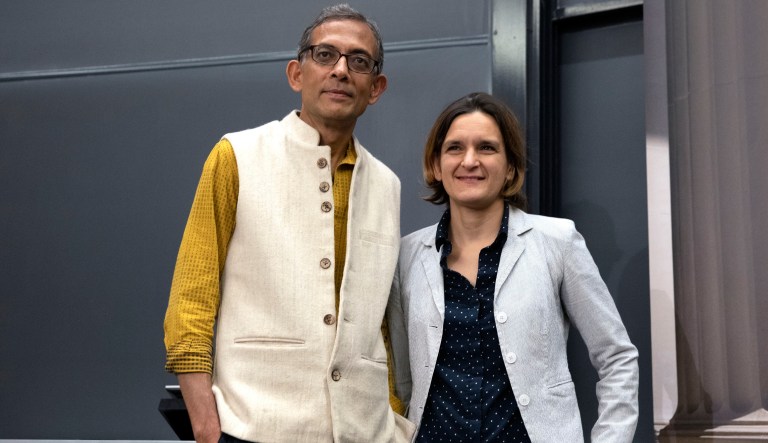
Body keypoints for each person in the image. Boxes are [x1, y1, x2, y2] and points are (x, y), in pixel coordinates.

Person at [163, 4, 415, 442]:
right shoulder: (236, 156)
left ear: (375, 88)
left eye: (358, 61)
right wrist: (205, 428)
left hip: (366, 431)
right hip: (255, 426)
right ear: (297, 74)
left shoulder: (387, 185)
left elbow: (379, 325)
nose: (340, 70)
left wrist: (393, 417)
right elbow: (191, 301)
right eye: (325, 55)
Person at [387, 92, 639, 442]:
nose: (470, 160)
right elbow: (402, 379)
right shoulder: (406, 255)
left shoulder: (557, 242)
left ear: (510, 168)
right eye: (455, 148)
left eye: (487, 148)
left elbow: (617, 358)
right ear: (435, 165)